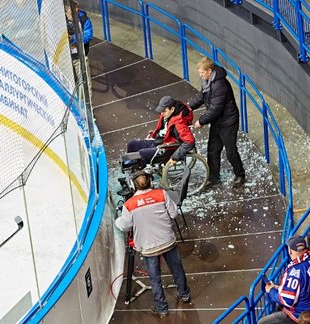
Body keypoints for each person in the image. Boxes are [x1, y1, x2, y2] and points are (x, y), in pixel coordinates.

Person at [115, 170, 191, 318]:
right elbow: (174, 214)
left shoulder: (129, 205)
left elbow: (125, 226)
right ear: (151, 182)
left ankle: (162, 308)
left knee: (155, 278)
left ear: (133, 186)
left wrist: (118, 219)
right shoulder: (161, 194)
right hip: (168, 241)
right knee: (177, 269)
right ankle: (185, 295)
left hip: (148, 247)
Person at [189, 57, 246, 188]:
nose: (200, 75)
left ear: (209, 71)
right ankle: (214, 178)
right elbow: (201, 97)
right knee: (213, 150)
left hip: (228, 122)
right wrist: (188, 108)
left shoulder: (219, 85)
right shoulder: (207, 81)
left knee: (230, 151)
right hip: (217, 121)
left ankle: (240, 174)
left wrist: (201, 121)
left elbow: (215, 109)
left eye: (202, 73)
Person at [258, 236, 310, 323]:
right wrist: (280, 288)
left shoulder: (295, 271)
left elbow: (286, 300)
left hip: (300, 315)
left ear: (289, 251)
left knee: (262, 322)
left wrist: (271, 290)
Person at [126, 96, 195, 165]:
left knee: (140, 154)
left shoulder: (179, 123)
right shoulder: (166, 115)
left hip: (165, 149)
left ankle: (140, 172)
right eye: (161, 111)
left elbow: (189, 141)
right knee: (132, 144)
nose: (162, 113)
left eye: (164, 111)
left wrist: (175, 157)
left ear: (172, 109)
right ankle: (129, 164)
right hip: (158, 141)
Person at [65, 0, 93, 90]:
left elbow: (88, 35)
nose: (73, 11)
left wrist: (73, 39)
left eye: (75, 8)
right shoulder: (61, 21)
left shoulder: (84, 19)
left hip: (79, 56)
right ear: (66, 10)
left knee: (84, 83)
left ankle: (86, 103)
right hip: (66, 58)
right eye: (70, 8)